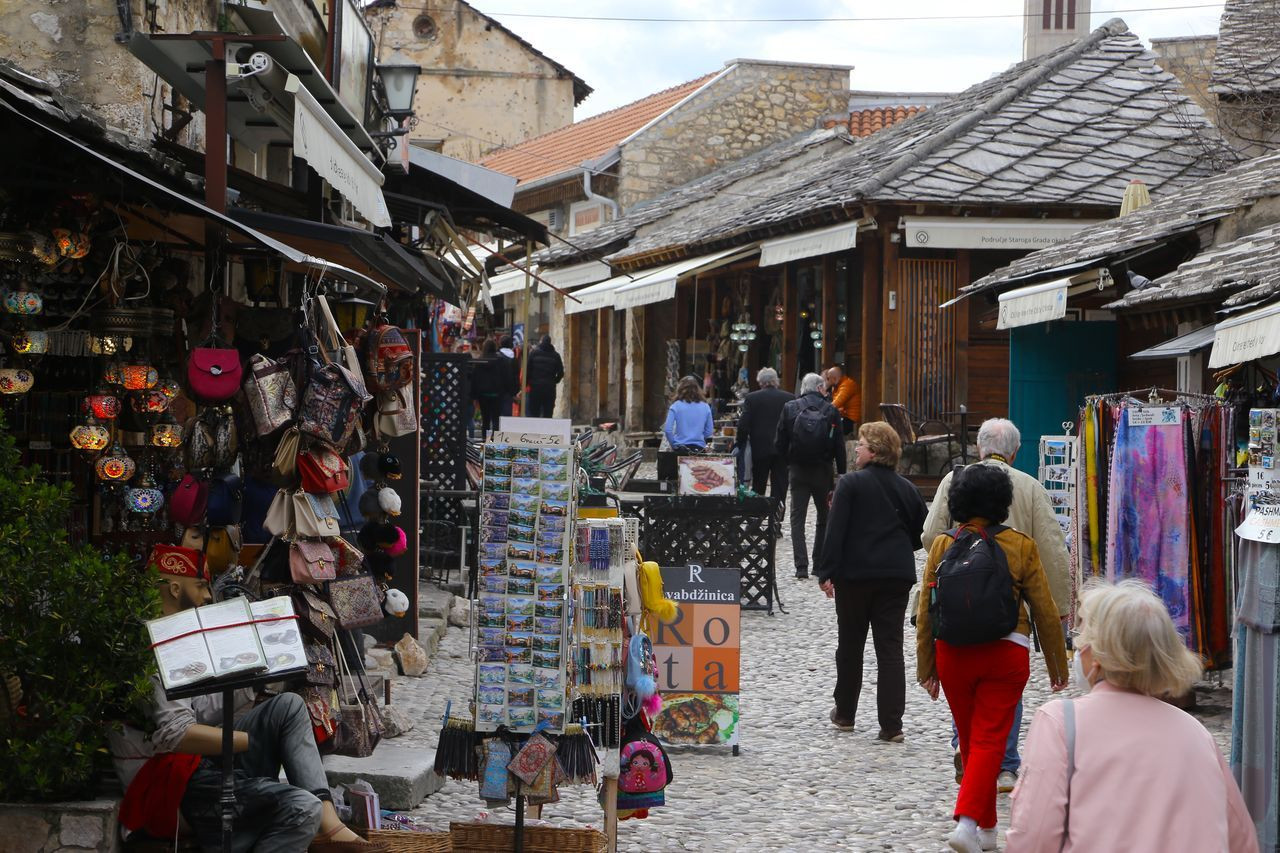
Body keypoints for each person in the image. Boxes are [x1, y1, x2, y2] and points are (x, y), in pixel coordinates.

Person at [109, 556, 385, 853]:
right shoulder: (153, 648)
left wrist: (255, 671)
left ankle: (331, 826)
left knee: (289, 706)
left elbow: (201, 708)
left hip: (199, 762)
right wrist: (246, 740)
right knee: (303, 809)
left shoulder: (182, 637)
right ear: (175, 589)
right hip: (175, 779)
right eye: (201, 586)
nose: (208, 595)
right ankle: (316, 821)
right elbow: (176, 734)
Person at [1005, 580, 1258, 853]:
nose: (1079, 649)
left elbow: (1032, 838)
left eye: (1083, 639)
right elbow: (1242, 841)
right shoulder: (1197, 734)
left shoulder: (1060, 723)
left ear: (1098, 655)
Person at [915, 463, 1068, 853]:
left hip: (953, 654)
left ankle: (986, 830)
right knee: (989, 741)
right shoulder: (1020, 545)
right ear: (1003, 502)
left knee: (971, 741)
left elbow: (926, 611)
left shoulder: (942, 545)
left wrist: (926, 667)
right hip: (1006, 652)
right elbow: (1045, 610)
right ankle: (968, 823)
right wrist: (1057, 664)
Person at [818, 421, 926, 740]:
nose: (856, 451)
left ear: (875, 452)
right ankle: (892, 725)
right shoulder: (907, 488)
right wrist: (897, 548)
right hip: (895, 576)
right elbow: (921, 532)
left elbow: (835, 530)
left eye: (861, 445)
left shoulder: (850, 484)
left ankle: (845, 713)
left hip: (855, 576)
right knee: (890, 648)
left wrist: (826, 571)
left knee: (850, 644)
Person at [775, 372, 846, 579]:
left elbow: (779, 443)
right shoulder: (831, 410)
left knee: (797, 518)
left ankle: (801, 566)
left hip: (798, 470)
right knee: (824, 517)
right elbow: (839, 445)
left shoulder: (790, 408)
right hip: (823, 470)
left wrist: (788, 463)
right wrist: (841, 473)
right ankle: (818, 564)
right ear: (819, 388)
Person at [735, 367, 795, 503]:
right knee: (780, 485)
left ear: (760, 382)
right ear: (776, 381)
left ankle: (758, 512)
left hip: (760, 448)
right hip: (782, 448)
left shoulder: (752, 398)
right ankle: (777, 512)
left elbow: (743, 424)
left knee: (758, 484)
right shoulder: (789, 398)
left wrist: (740, 443)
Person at [663, 376, 714, 453]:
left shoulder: (675, 406)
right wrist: (699, 437)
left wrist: (674, 445)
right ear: (697, 389)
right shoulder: (705, 406)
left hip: (680, 448)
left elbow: (668, 430)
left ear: (680, 389)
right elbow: (709, 431)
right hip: (699, 449)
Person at [470, 340, 504, 436]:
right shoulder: (500, 360)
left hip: (483, 394)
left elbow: (475, 379)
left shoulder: (480, 361)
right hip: (497, 394)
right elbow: (505, 376)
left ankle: (485, 439)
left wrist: (474, 395)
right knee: (496, 419)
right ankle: (495, 440)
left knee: (485, 419)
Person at [525, 334, 564, 418]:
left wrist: (528, 383)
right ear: (550, 343)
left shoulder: (533, 353)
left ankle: (535, 426)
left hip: (535, 387)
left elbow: (528, 370)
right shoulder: (556, 355)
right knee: (548, 413)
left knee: (534, 412)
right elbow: (561, 373)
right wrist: (554, 381)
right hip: (549, 388)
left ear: (541, 342)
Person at [825, 365, 861, 435]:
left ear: (834, 378)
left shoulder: (847, 385)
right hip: (844, 417)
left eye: (828, 378)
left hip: (850, 419)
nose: (827, 381)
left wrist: (822, 409)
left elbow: (836, 404)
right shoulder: (837, 386)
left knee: (829, 431)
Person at [497, 335, 520, 419]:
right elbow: (516, 376)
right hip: (509, 391)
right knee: (507, 415)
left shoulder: (497, 356)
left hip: (498, 389)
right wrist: (515, 391)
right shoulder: (514, 358)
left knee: (497, 415)